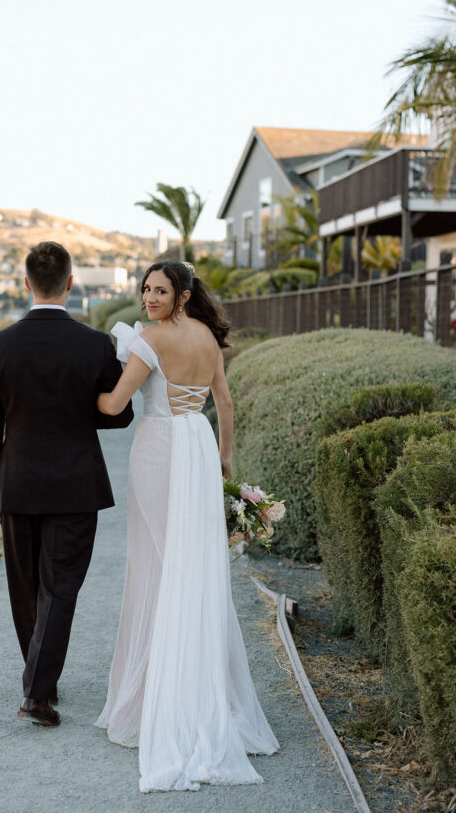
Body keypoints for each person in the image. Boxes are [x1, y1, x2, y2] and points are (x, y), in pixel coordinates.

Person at [95, 260, 279, 792]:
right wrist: (223, 461)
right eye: (145, 289)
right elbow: (223, 402)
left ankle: (159, 704)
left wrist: (82, 390)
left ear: (181, 295)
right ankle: (193, 693)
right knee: (192, 568)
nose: (148, 298)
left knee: (158, 565)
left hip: (159, 448)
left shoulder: (151, 339)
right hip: (198, 446)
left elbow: (114, 402)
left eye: (159, 290)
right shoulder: (207, 337)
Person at [0, 241, 134, 728]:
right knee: (59, 588)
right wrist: (76, 415)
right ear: (71, 283)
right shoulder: (95, 345)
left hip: (16, 483)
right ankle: (38, 691)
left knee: (25, 589)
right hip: (75, 484)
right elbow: (121, 414)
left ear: (27, 283)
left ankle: (39, 686)